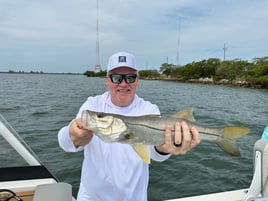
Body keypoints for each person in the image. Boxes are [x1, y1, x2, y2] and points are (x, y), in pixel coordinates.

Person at [58, 51, 200, 201]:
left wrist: (165, 148)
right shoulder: (92, 105)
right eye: (116, 78)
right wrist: (74, 135)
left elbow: (154, 154)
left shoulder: (149, 109)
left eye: (130, 78)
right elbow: (65, 143)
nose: (123, 84)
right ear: (107, 80)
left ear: (137, 80)